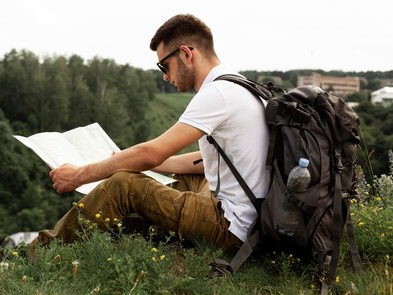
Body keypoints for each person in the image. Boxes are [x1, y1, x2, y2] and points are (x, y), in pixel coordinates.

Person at [29, 14, 270, 253]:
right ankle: (138, 227)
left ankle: (41, 252)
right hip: (252, 213)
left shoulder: (217, 94)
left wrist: (79, 176)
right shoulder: (240, 85)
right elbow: (211, 160)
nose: (165, 76)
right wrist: (153, 166)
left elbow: (151, 153)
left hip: (230, 226)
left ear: (186, 54)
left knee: (125, 184)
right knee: (168, 174)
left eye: (164, 65)